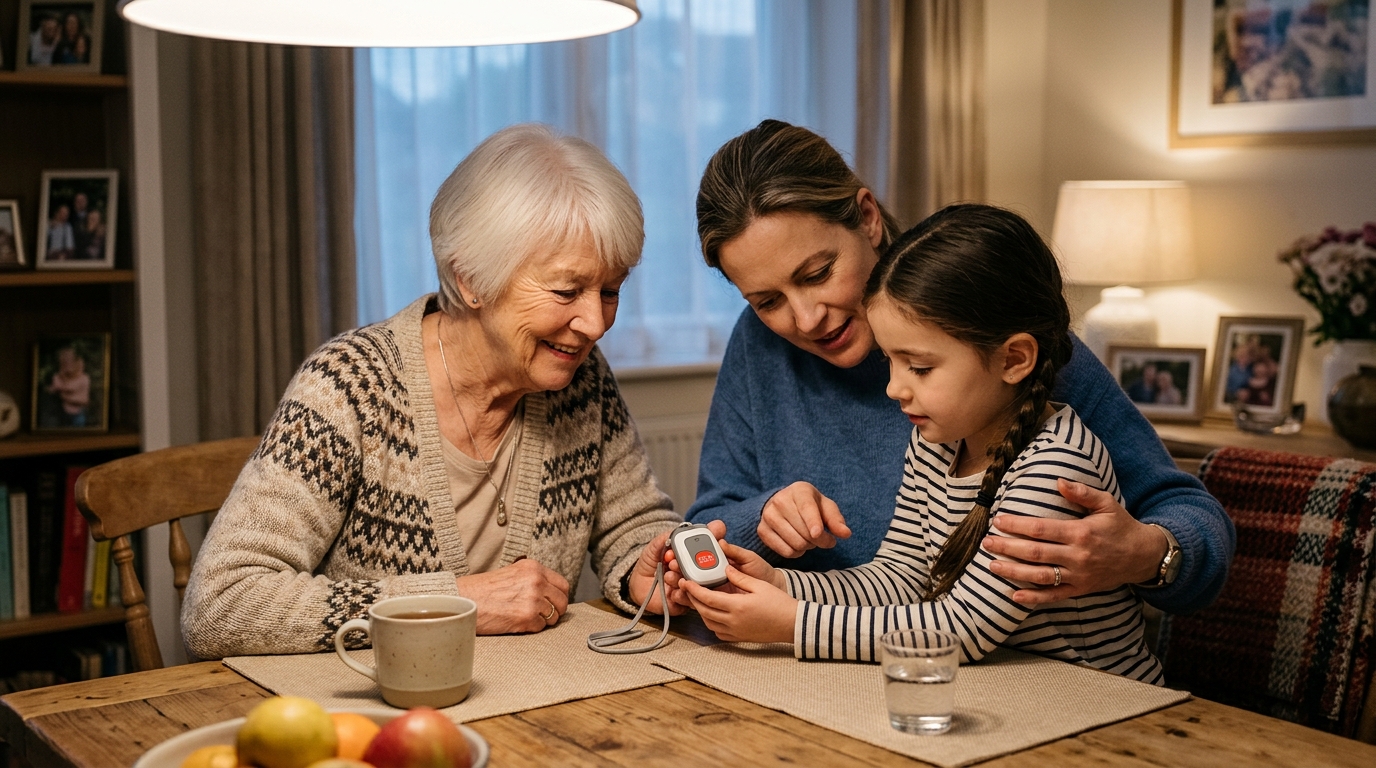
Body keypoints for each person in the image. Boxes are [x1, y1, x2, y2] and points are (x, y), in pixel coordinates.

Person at [183, 124, 693, 659]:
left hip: (531, 692)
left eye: (610, 290)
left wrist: (646, 570)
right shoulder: (350, 385)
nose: (595, 323)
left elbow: (632, 523)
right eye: (567, 291)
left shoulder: (580, 378)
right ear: (469, 279)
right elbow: (221, 605)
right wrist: (450, 602)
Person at [686, 120, 1234, 615]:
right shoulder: (759, 344)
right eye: (768, 301)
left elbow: (1192, 519)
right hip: (838, 658)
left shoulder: (992, 334)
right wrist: (763, 518)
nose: (806, 319)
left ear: (868, 218)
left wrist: (1145, 554)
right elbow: (707, 524)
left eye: (817, 274)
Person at [677, 205, 1163, 683]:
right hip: (1006, 689)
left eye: (921, 368)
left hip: (1101, 699)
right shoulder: (936, 443)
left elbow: (963, 628)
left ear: (1014, 360)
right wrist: (781, 584)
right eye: (888, 361)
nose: (894, 388)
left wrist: (793, 622)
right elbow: (901, 577)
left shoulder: (1054, 468)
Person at [45, 347, 91, 427]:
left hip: (78, 414)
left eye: (70, 361)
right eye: (63, 362)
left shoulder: (84, 378)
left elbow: (84, 400)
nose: (67, 364)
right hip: (61, 416)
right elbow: (53, 389)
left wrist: (65, 397)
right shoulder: (57, 377)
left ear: (76, 362)